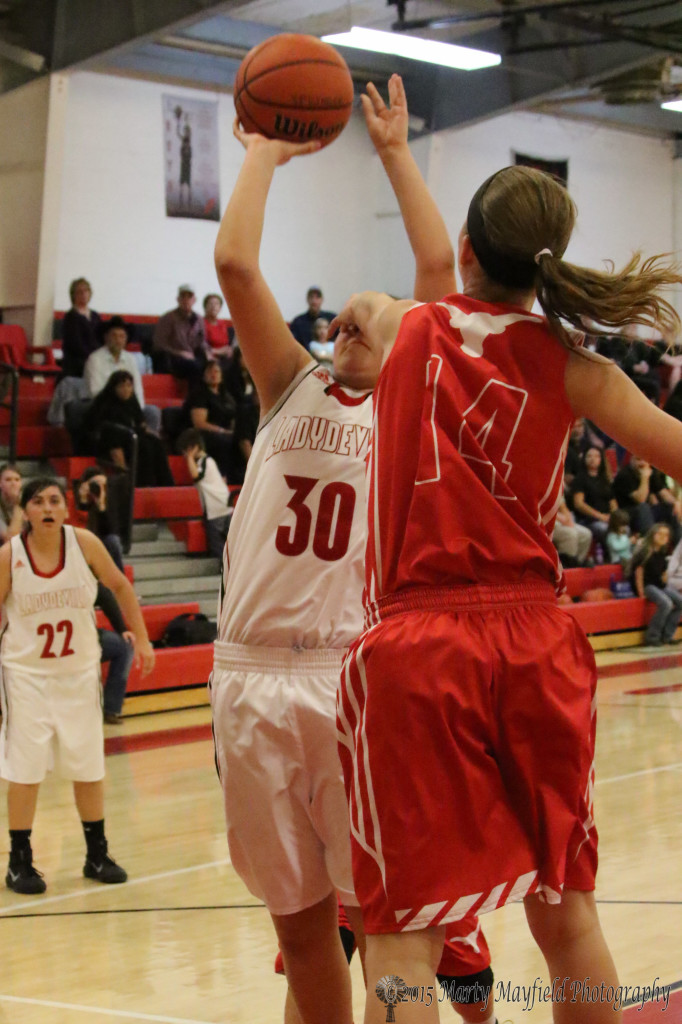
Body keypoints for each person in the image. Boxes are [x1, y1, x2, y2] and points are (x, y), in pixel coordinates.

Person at [331, 159, 682, 1023]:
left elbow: (368, 309)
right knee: (568, 915)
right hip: (537, 640)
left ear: (466, 247)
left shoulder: (404, 324)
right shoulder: (577, 369)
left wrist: (394, 153)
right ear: (547, 265)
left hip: (420, 646)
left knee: (405, 936)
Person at [211, 75, 490, 1024]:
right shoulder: (288, 384)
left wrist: (397, 154)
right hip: (249, 676)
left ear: (412, 339)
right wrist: (264, 150)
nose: (346, 321)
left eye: (369, 312)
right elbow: (238, 267)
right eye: (341, 315)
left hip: (354, 682)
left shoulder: (419, 410)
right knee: (301, 936)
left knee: (382, 921)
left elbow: (435, 266)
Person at [0, 478, 155, 894]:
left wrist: (140, 638)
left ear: (67, 510)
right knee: (25, 768)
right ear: (26, 511)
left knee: (88, 765)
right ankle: (19, 862)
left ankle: (96, 854)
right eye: (38, 502)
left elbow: (120, 586)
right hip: (25, 675)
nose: (48, 508)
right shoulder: (9, 556)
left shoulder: (83, 543)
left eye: (55, 501)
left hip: (79, 673)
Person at [83, 370, 174, 488]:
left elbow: (141, 423)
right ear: (114, 387)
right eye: (121, 386)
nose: (126, 389)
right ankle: (143, 486)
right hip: (111, 441)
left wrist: (151, 434)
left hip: (131, 436)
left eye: (129, 385)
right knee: (144, 447)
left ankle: (167, 485)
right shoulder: (105, 403)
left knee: (156, 443)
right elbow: (103, 431)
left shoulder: (131, 400)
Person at [84, 315, 161, 433]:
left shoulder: (130, 359)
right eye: (114, 336)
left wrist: (137, 411)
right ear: (106, 337)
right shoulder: (95, 359)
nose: (118, 340)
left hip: (129, 406)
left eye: (122, 336)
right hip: (104, 407)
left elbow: (137, 389)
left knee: (152, 412)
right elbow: (95, 391)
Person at [177, 428, 232, 559]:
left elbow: (196, 476)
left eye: (185, 452)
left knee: (217, 544)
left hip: (216, 508)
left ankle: (224, 569)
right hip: (224, 505)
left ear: (192, 448)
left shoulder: (205, 462)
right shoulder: (209, 461)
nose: (185, 457)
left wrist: (190, 457)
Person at [182, 359, 239, 482]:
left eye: (216, 371)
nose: (213, 374)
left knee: (242, 439)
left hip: (224, 433)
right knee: (223, 441)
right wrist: (222, 431)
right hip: (203, 434)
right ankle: (222, 479)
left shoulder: (227, 397)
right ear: (203, 375)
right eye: (210, 371)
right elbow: (199, 423)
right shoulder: (199, 395)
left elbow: (234, 416)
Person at [630, 523, 682, 646]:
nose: (664, 537)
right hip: (648, 585)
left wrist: (666, 577)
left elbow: (663, 573)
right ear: (653, 535)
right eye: (660, 534)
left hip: (659, 585)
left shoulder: (662, 552)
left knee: (680, 602)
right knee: (666, 604)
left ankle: (667, 635)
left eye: (666, 535)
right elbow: (639, 572)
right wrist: (641, 591)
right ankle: (652, 636)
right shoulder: (645, 551)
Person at [613, 454, 681, 540]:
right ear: (631, 460)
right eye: (638, 459)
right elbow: (641, 499)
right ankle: (649, 544)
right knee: (643, 507)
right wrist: (644, 478)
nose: (642, 463)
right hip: (626, 514)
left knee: (671, 508)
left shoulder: (650, 471)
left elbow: (663, 492)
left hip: (646, 512)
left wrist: (676, 502)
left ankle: (678, 544)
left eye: (644, 460)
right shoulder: (624, 475)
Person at [152, 284, 212, 379]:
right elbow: (159, 344)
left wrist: (208, 352)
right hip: (174, 359)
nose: (186, 300)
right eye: (183, 297)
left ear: (194, 300)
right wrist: (180, 353)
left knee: (214, 366)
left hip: (194, 357)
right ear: (178, 299)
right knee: (195, 367)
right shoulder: (168, 318)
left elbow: (202, 342)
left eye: (189, 297)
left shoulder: (199, 319)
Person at [97, 582, 136, 724]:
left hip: (87, 637)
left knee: (124, 646)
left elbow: (105, 596)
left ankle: (111, 709)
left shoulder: (83, 576)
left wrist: (122, 629)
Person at [571, 446, 617, 545]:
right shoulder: (580, 479)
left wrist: (613, 517)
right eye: (589, 456)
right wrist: (600, 516)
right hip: (588, 520)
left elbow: (612, 502)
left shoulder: (604, 479)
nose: (593, 459)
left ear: (601, 460)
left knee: (623, 527)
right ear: (584, 459)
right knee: (604, 529)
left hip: (606, 518)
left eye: (596, 456)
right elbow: (579, 504)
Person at [60, 277, 102, 378]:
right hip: (77, 362)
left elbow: (101, 338)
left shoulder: (96, 316)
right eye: (79, 292)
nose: (83, 294)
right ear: (73, 295)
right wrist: (93, 358)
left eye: (86, 291)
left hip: (95, 359)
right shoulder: (71, 316)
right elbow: (75, 344)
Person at [552, 488, 593, 568]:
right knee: (570, 534)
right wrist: (560, 518)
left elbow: (563, 506)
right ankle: (566, 567)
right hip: (544, 522)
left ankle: (578, 563)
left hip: (559, 520)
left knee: (586, 534)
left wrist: (568, 520)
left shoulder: (556, 483)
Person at [289, 287, 337, 351]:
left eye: (317, 297)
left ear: (322, 300)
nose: (314, 301)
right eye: (311, 297)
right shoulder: (298, 322)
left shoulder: (331, 319)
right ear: (307, 299)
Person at [202, 293, 233, 360]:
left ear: (220, 308)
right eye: (210, 304)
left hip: (226, 356)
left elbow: (239, 322)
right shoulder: (201, 323)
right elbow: (200, 345)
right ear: (205, 307)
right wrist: (218, 351)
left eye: (216, 304)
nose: (213, 306)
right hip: (209, 356)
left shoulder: (223, 322)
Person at [0, 463, 23, 543]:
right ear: (0, 483)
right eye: (8, 480)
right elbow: (10, 540)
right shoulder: (21, 505)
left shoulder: (30, 502)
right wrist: (18, 505)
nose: (13, 484)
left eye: (17, 480)